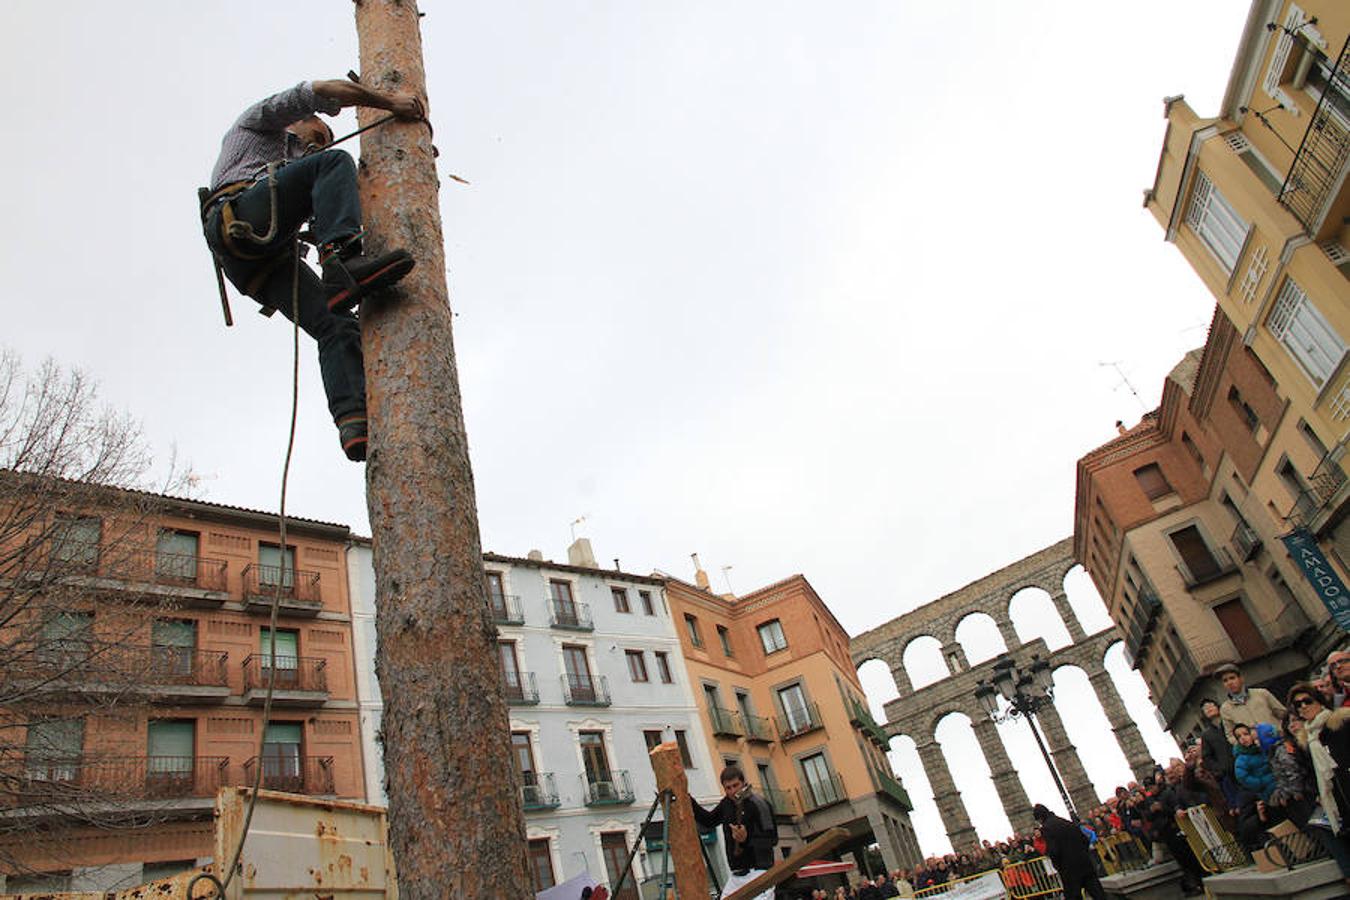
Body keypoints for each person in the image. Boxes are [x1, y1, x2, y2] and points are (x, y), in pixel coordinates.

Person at [202, 79, 424, 461]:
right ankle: (343, 262)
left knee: (334, 320)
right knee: (334, 163)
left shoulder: (296, 174)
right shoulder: (260, 122)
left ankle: (353, 420)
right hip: (238, 215)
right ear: (298, 121)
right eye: (318, 134)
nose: (318, 145)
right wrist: (390, 102)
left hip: (260, 264)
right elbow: (325, 90)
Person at [1288, 681, 1350, 887]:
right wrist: (1317, 792)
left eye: (1307, 701)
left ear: (1319, 701)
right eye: (1298, 705)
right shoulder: (1305, 740)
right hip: (1333, 799)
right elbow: (1307, 773)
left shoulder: (1340, 723)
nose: (1303, 707)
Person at [691, 765, 777, 900]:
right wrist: (688, 799)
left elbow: (772, 838)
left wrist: (745, 839)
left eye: (735, 785)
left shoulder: (759, 804)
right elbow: (709, 821)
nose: (732, 791)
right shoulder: (726, 804)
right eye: (728, 788)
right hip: (737, 875)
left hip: (759, 871)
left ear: (743, 783)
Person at [1032, 804, 1105, 900]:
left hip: (1068, 869)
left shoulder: (1047, 828)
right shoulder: (1066, 822)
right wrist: (1082, 854)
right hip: (1085, 863)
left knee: (1073, 896)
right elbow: (1084, 839)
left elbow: (1054, 850)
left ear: (1040, 818)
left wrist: (1055, 862)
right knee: (1098, 894)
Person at [1217, 664, 1287, 744]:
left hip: (1280, 741)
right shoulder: (1225, 709)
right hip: (1256, 748)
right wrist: (1245, 743)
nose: (1229, 683)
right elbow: (1230, 736)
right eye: (1225, 680)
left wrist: (1281, 731)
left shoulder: (1261, 693)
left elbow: (1284, 714)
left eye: (1232, 678)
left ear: (1241, 679)